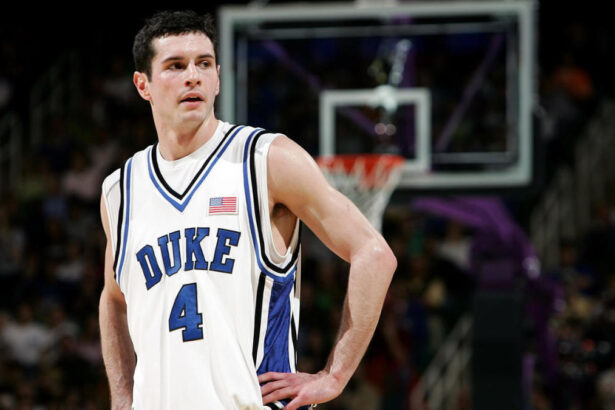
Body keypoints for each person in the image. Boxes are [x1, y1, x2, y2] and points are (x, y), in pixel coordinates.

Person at [98, 10, 396, 410]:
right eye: (175, 66)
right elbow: (114, 299)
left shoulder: (267, 159)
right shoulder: (120, 190)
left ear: (218, 77)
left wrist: (334, 375)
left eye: (204, 64)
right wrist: (122, 398)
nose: (193, 76)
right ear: (143, 84)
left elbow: (374, 254)